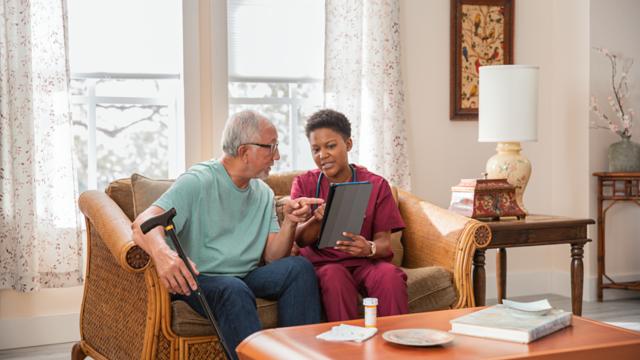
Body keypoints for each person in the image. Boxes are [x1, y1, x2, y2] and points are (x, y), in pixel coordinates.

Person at [132, 110, 323, 359]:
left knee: (298, 268)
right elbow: (141, 223)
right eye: (271, 147)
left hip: (245, 276)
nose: (277, 156)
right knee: (233, 289)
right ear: (244, 151)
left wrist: (289, 222)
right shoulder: (198, 181)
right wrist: (163, 254)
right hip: (200, 279)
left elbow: (274, 257)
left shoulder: (262, 192)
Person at [291, 109, 408, 322]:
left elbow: (385, 245)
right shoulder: (304, 183)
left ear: (348, 144)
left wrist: (368, 248)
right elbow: (298, 238)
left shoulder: (376, 185)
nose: (322, 155)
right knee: (334, 277)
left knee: (390, 277)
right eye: (315, 149)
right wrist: (317, 220)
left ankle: (396, 347)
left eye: (331, 146)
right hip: (325, 266)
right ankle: (345, 348)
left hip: (364, 263)